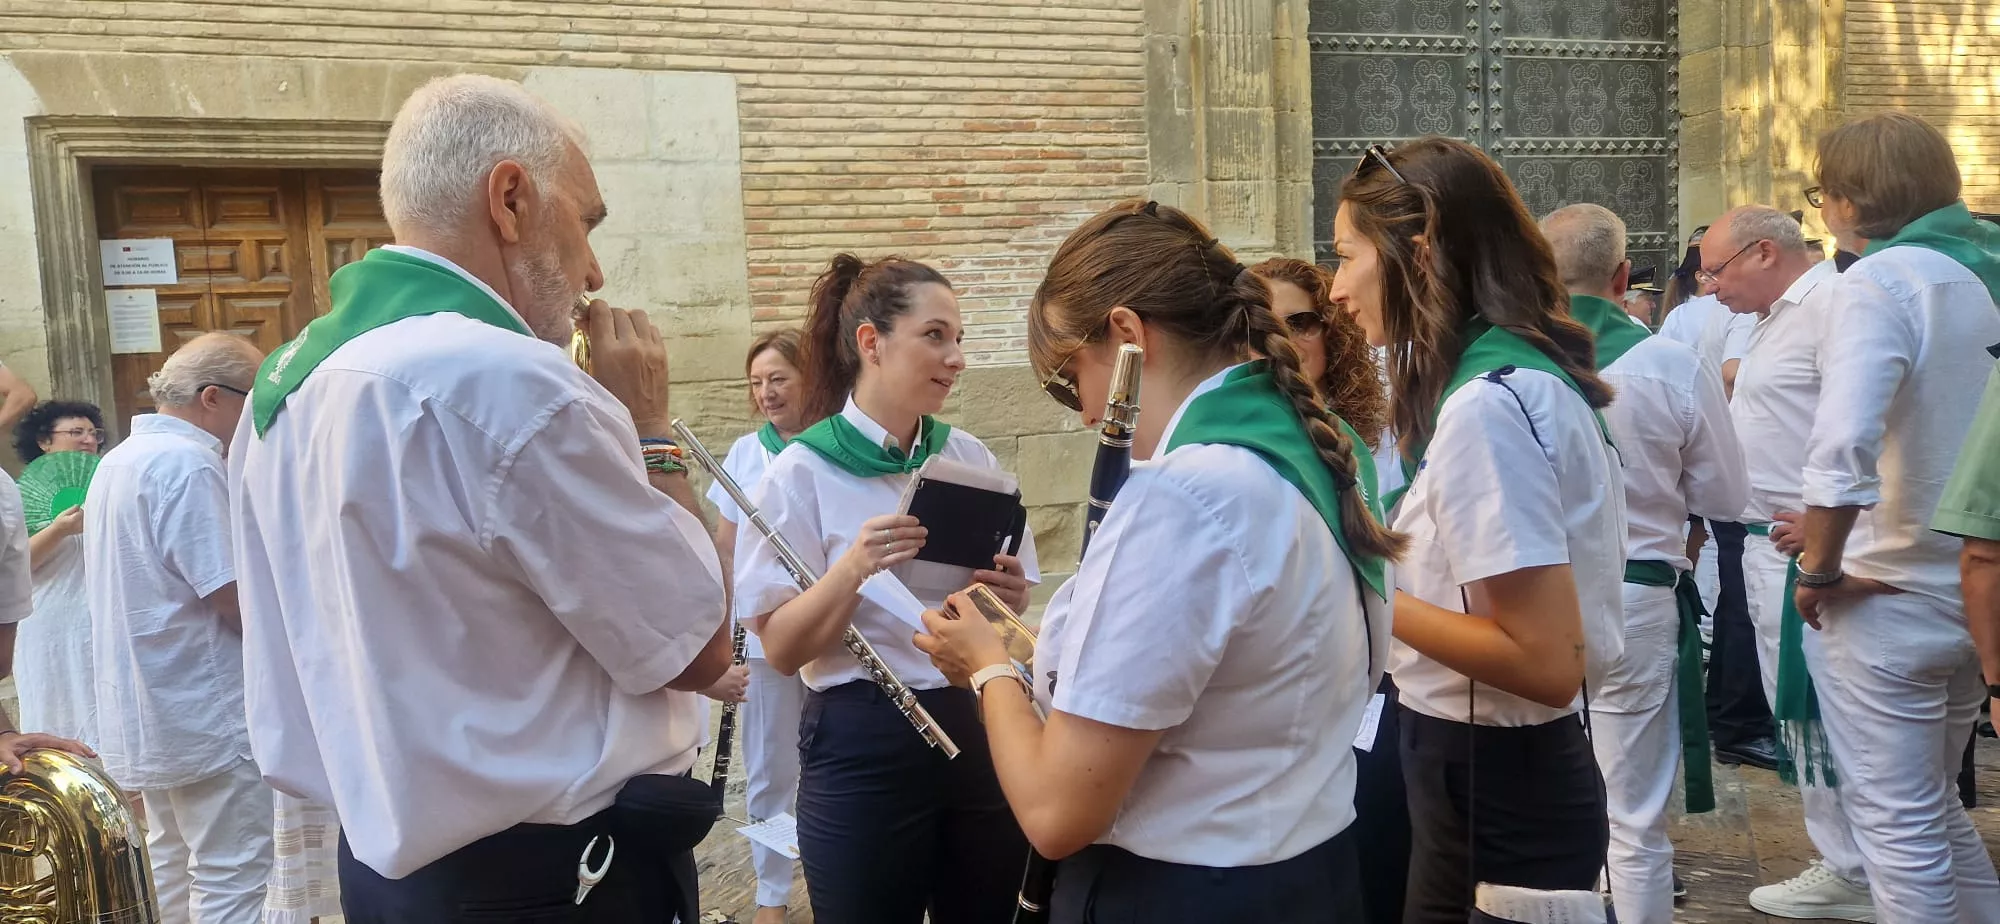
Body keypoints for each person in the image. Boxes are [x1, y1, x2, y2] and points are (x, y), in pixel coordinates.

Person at [229, 74, 731, 922]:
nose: (594, 268)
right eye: (587, 220)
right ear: (510, 199)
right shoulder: (510, 382)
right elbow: (696, 648)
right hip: (553, 880)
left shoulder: (285, 388)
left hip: (391, 872)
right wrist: (648, 427)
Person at [913, 199, 1398, 923]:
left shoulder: (1187, 496)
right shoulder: (1324, 455)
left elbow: (1056, 811)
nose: (1080, 412)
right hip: (1309, 875)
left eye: (1069, 376)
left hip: (1187, 892)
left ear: (1128, 334)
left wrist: (987, 668)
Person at [1331, 138, 1622, 923]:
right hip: (1472, 768)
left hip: (1497, 781)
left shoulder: (1491, 406)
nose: (1335, 289)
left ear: (1417, 255)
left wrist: (1364, 582)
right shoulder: (1497, 387)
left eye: (1347, 257)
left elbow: (1544, 660)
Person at [733, 253, 1038, 924]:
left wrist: (1007, 595)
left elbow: (1006, 608)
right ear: (871, 342)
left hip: (978, 716)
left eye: (958, 339)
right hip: (862, 737)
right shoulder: (798, 475)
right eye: (935, 335)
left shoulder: (968, 457)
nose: (956, 357)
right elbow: (782, 651)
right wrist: (852, 568)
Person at [1788, 111, 2000, 922]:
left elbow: (1843, 440)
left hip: (1889, 592)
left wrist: (1819, 565)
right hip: (1976, 581)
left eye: (1823, 193)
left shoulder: (1883, 278)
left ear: (1848, 200)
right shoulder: (1984, 266)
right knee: (1935, 807)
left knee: (1897, 828)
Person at [1541, 203, 1748, 924]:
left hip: (1527, 605)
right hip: (1638, 596)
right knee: (1633, 817)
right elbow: (1726, 494)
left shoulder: (1500, 362)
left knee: (1535, 802)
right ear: (1624, 275)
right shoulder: (1669, 363)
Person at [1699, 204, 1874, 921]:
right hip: (1765, 541)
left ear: (1764, 252)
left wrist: (1829, 522)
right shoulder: (1774, 318)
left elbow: (1868, 428)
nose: (1706, 286)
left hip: (1807, 545)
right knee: (1794, 707)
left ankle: (1857, 867)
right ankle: (1843, 856)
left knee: (1823, 709)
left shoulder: (1833, 307)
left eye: (1715, 269)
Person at [86, 332, 272, 924]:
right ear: (212, 397)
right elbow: (230, 595)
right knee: (233, 872)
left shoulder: (120, 458)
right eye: (255, 398)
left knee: (169, 859)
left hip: (153, 702)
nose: (259, 415)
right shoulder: (187, 463)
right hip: (205, 702)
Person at [1251, 255, 1406, 924]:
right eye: (1265, 325)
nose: (1286, 340)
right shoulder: (1221, 451)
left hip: (1378, 691)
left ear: (1331, 333)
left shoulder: (1377, 437)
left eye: (1303, 321)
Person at [705, 327, 814, 924]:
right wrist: (724, 639)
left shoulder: (834, 442)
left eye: (778, 379)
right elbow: (726, 552)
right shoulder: (746, 453)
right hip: (766, 637)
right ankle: (772, 895)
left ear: (808, 378)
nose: (767, 393)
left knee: (833, 763)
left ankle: (831, 875)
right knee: (772, 768)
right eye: (757, 383)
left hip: (832, 634)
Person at [9, 400, 104, 745]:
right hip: (47, 620)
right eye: (76, 432)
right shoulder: (15, 497)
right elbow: (13, 566)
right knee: (57, 706)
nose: (88, 440)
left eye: (93, 433)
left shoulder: (107, 484)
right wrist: (59, 529)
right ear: (44, 441)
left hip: (99, 616)